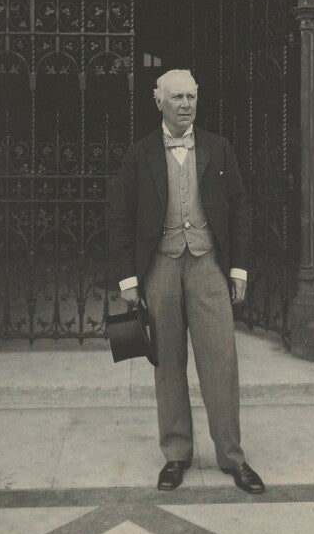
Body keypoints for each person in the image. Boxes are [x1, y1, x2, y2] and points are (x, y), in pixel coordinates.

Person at [108, 69, 265, 494]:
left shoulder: (218, 147)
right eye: (176, 97)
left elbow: (240, 209)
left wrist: (238, 270)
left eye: (191, 97)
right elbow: (120, 217)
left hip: (208, 265)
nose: (185, 104)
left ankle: (232, 457)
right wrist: (128, 279)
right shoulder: (139, 153)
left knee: (221, 363)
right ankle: (176, 454)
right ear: (158, 101)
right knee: (168, 363)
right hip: (160, 266)